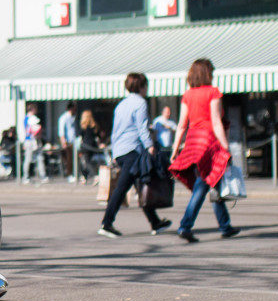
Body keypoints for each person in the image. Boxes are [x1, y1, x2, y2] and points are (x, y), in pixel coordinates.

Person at [169, 58, 239, 243]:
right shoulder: (213, 92)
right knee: (203, 183)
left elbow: (182, 125)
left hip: (193, 142)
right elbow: (216, 122)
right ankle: (185, 225)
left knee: (213, 181)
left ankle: (225, 226)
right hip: (209, 142)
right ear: (208, 73)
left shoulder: (188, 95)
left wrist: (175, 150)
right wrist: (226, 148)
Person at [98, 73, 170, 238]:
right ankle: (107, 223)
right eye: (146, 86)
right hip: (132, 149)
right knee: (123, 187)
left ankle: (155, 222)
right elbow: (142, 128)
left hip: (121, 150)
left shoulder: (121, 105)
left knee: (140, 183)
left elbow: (115, 130)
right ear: (142, 87)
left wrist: (115, 151)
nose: (147, 90)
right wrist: (150, 146)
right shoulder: (140, 103)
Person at [21, 103, 47, 183]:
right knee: (32, 158)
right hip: (32, 140)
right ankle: (27, 177)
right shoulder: (31, 118)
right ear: (33, 109)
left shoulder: (26, 118)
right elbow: (34, 130)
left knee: (35, 158)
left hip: (30, 140)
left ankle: (28, 176)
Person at [78, 110, 103, 184]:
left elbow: (81, 137)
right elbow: (97, 137)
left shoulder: (84, 127)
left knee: (86, 162)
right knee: (86, 161)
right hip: (92, 146)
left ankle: (95, 176)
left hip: (86, 146)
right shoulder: (94, 126)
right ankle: (84, 177)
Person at [58, 103, 77, 182]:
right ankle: (69, 175)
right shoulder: (64, 118)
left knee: (73, 158)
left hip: (73, 141)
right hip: (67, 141)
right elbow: (61, 131)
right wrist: (63, 142)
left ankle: (73, 173)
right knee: (68, 159)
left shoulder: (73, 117)